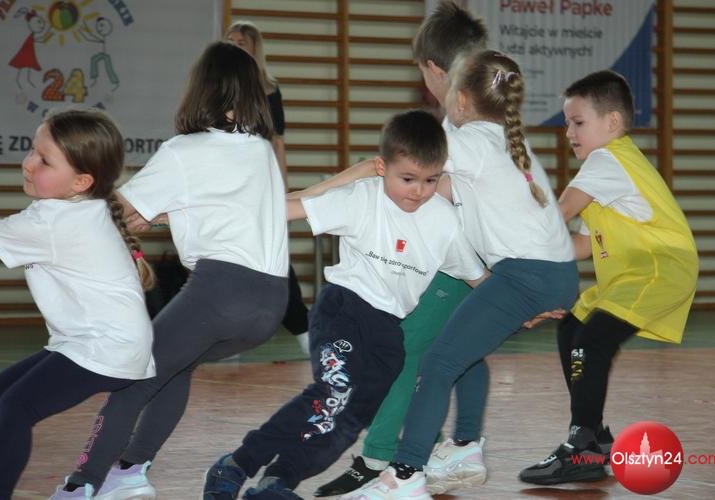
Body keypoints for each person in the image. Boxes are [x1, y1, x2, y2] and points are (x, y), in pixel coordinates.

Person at [201, 110, 487, 500]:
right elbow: (286, 209)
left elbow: (476, 277)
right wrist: (195, 214)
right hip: (344, 311)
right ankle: (237, 464)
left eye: (431, 180)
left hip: (389, 336)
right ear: (382, 167)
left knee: (348, 420)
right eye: (407, 179)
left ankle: (278, 482)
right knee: (332, 392)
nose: (419, 191)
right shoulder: (361, 198)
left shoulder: (444, 220)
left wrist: (530, 302)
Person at [49, 41, 290, 498]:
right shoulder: (260, 150)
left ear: (200, 90)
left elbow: (119, 209)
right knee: (176, 368)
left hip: (220, 292)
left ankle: (81, 485)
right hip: (270, 302)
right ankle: (128, 470)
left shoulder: (184, 150)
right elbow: (224, 209)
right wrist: (164, 214)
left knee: (133, 376)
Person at [344, 49, 579, 500]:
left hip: (527, 275)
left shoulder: (471, 142)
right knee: (459, 351)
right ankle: (465, 449)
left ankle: (406, 475)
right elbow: (437, 190)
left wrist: (322, 192)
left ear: (463, 100)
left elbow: (400, 166)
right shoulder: (503, 142)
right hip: (549, 273)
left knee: (437, 363)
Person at [313, 2, 492, 495]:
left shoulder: (463, 129)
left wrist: (326, 191)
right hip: (462, 257)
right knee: (445, 351)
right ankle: (440, 445)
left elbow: (452, 194)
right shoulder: (478, 122)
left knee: (403, 347)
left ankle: (380, 459)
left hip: (457, 260)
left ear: (435, 69)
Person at [518, 70, 699, 485]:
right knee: (573, 328)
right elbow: (579, 245)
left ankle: (582, 444)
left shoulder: (608, 159)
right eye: (567, 123)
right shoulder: (609, 172)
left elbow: (557, 215)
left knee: (592, 339)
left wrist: (505, 233)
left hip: (659, 266)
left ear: (612, 122)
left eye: (578, 122)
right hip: (635, 271)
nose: (569, 133)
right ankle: (594, 437)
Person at [0, 108, 156, 500]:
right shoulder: (77, 208)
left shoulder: (55, 221)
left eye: (44, 160)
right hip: (99, 341)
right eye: (32, 150)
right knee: (4, 388)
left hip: (103, 347)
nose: (28, 163)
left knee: (17, 406)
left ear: (81, 181)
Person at [226, 20, 310, 354]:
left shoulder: (269, 90)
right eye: (229, 41)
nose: (233, 46)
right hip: (229, 186)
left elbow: (278, 143)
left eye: (240, 43)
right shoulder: (221, 89)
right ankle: (230, 334)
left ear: (254, 49)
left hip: (260, 185)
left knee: (275, 256)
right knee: (230, 259)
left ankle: (304, 330)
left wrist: (282, 190)